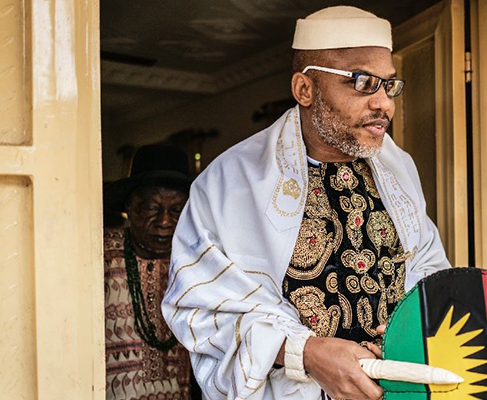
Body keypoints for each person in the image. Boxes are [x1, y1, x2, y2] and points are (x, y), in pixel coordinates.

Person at [162, 6, 451, 400]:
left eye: (389, 85)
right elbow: (198, 306)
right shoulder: (230, 182)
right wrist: (305, 353)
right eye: (364, 83)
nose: (384, 103)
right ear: (305, 89)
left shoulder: (397, 169)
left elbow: (428, 268)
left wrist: (408, 329)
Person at [104, 145, 200, 400]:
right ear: (129, 206)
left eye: (176, 211)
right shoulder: (99, 253)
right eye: (151, 208)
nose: (164, 221)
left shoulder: (199, 260)